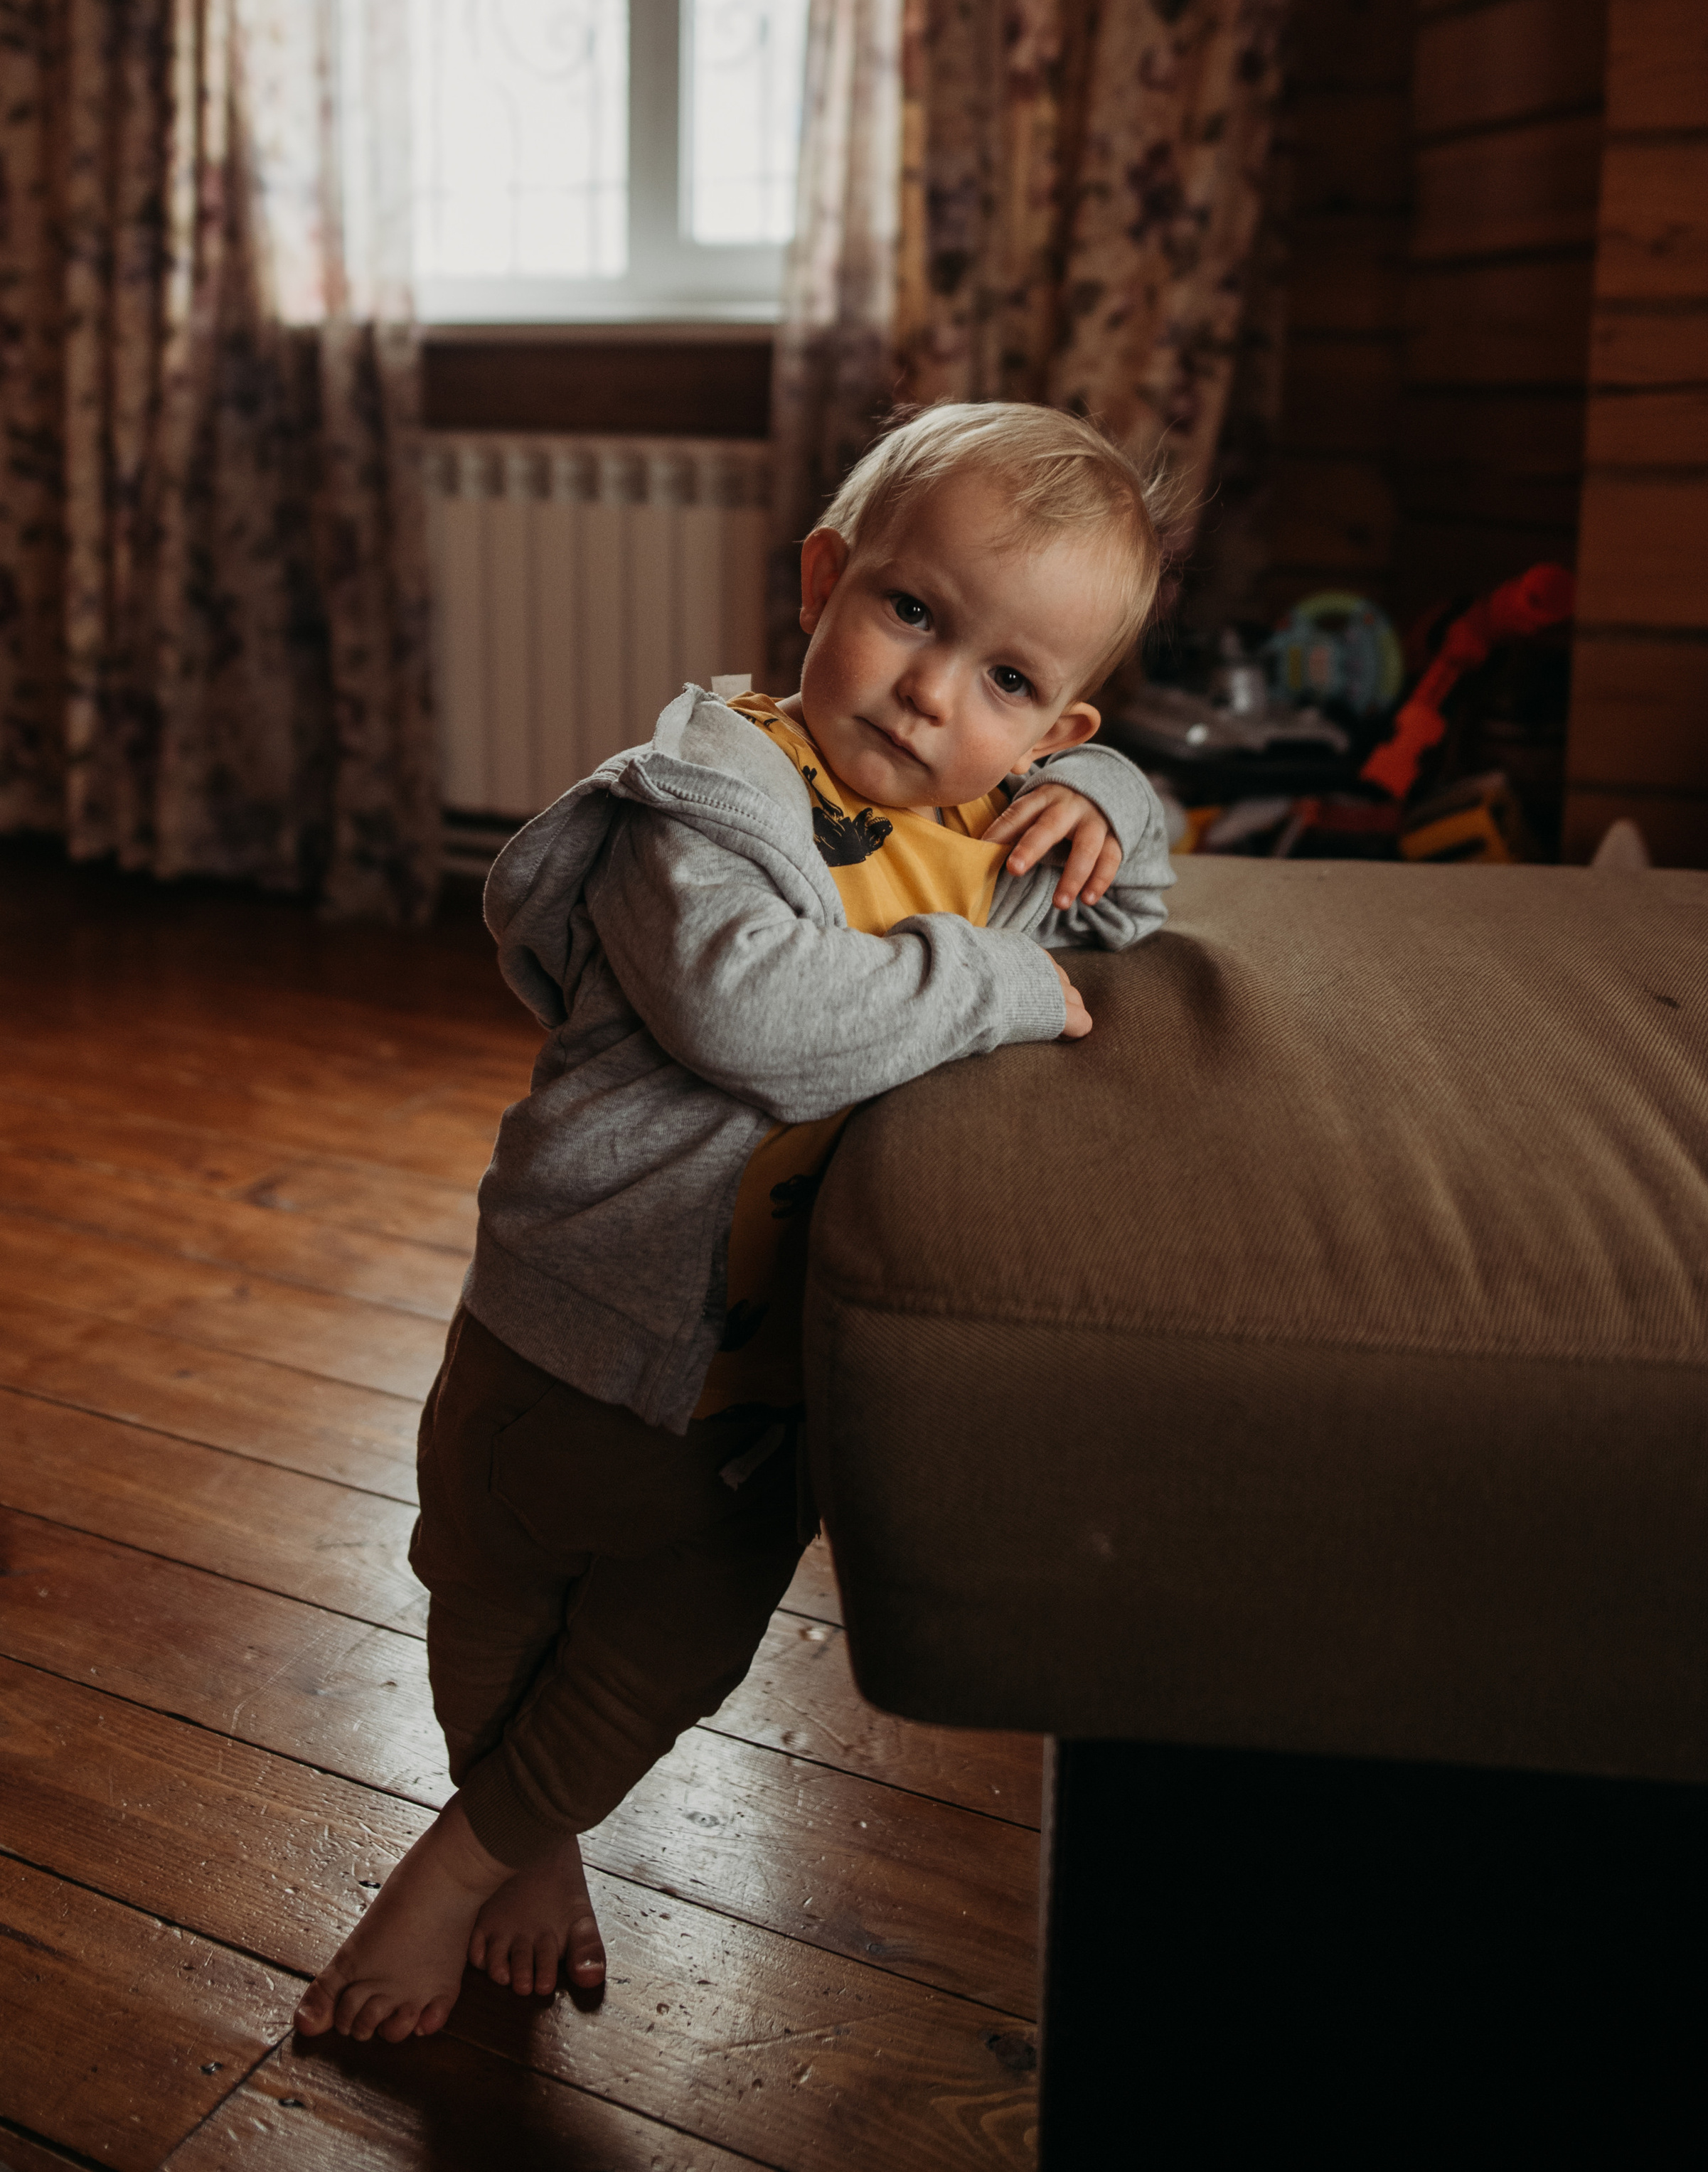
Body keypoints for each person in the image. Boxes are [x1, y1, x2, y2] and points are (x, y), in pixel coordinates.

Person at [294, 400, 1177, 2044]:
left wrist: (1111, 800)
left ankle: (496, 1847)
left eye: (1005, 679)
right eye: (911, 613)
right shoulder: (700, 795)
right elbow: (757, 1019)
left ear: (1048, 727)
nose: (929, 692)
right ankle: (497, 1857)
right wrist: (994, 975)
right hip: (563, 1337)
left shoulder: (993, 818)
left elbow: (1130, 899)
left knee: (662, 1659)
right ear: (824, 582)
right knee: (491, 1602)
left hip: (763, 1388)